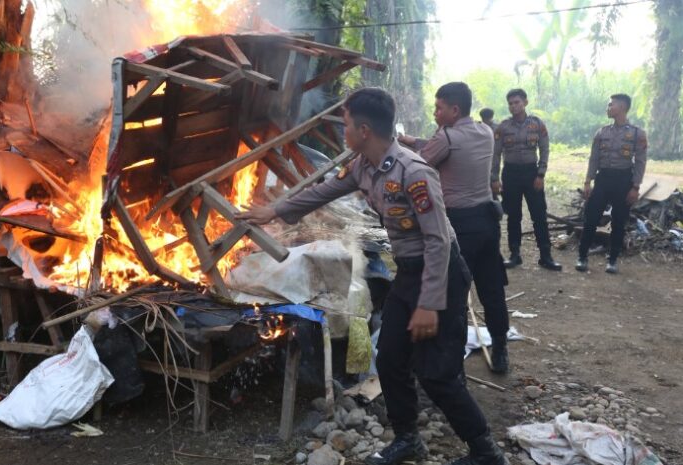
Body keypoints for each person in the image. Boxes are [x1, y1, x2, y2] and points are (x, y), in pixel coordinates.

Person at [236, 88, 508, 465]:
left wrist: (430, 304)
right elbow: (325, 190)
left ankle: (485, 450)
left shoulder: (414, 172)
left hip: (440, 274)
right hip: (410, 274)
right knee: (392, 358)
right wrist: (276, 211)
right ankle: (408, 438)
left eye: (345, 125)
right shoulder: (364, 165)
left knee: (437, 373)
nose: (342, 131)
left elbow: (438, 242)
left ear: (364, 130)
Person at [399, 83, 510, 374]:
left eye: (439, 108)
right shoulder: (485, 131)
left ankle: (452, 363)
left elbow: (422, 160)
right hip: (487, 221)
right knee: (492, 287)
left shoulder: (446, 137)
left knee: (454, 293)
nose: (435, 113)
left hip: (459, 224)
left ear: (454, 109)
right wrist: (415, 139)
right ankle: (500, 348)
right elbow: (441, 145)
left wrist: (401, 144)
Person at [491, 89, 561, 271]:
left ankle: (546, 256)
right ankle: (515, 255)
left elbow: (545, 149)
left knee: (539, 215)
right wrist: (495, 179)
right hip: (511, 174)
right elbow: (495, 154)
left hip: (532, 174)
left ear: (525, 103)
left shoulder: (537, 124)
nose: (514, 106)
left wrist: (541, 174)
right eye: (511, 103)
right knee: (513, 216)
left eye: (517, 102)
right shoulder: (503, 127)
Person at [576, 94, 647, 274]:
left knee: (618, 221)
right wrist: (587, 181)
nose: (608, 108)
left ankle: (612, 259)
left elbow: (640, 162)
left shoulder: (637, 134)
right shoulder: (602, 132)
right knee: (591, 217)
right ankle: (582, 256)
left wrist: (635, 187)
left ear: (622, 107)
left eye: (611, 105)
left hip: (623, 181)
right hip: (603, 180)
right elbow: (594, 159)